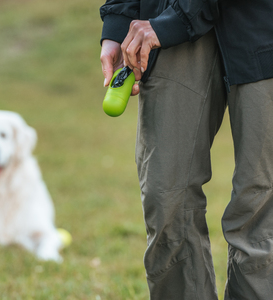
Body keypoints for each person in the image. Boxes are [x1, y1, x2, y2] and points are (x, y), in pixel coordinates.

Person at [99, 0, 273, 299]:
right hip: (166, 24)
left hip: (261, 23)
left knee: (260, 206)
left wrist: (175, 21)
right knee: (165, 197)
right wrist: (118, 20)